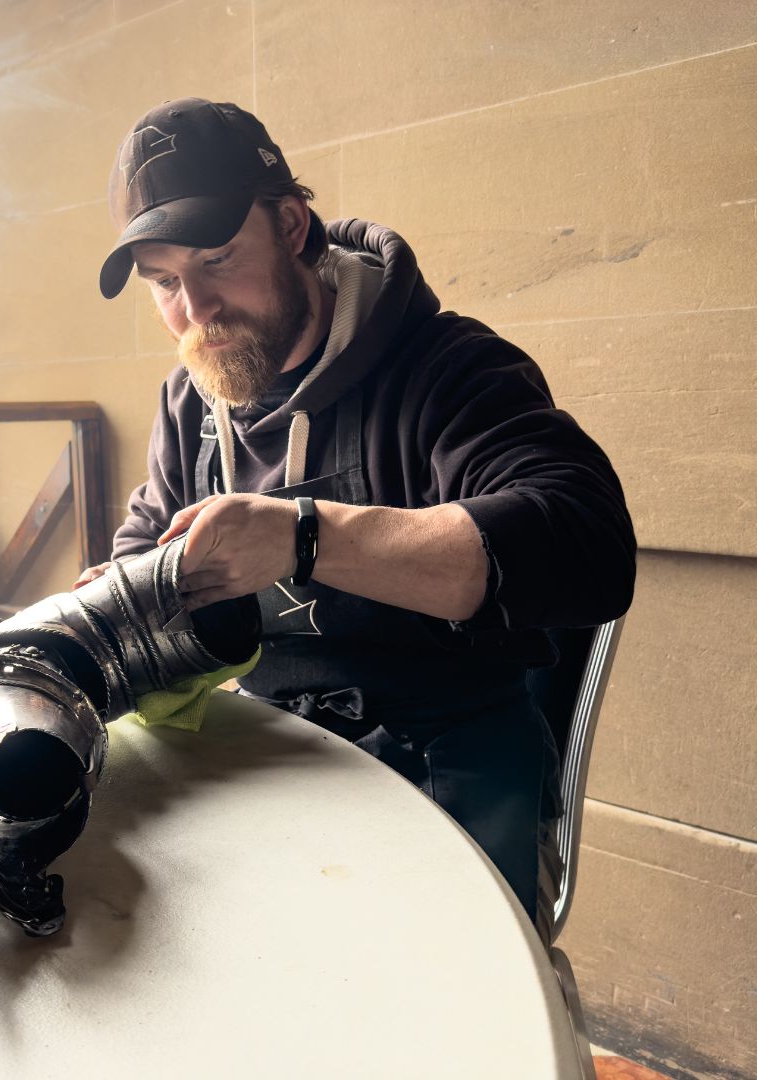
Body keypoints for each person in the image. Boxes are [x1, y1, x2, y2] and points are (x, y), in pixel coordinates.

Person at [77, 97, 636, 940]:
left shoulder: (448, 368)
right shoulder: (191, 401)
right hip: (272, 751)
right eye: (164, 283)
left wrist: (306, 537)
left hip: (446, 751)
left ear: (294, 226)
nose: (195, 310)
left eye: (217, 260)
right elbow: (138, 548)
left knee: (441, 1008)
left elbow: (586, 544)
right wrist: (119, 601)